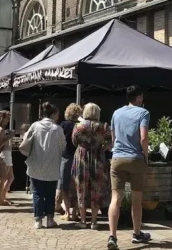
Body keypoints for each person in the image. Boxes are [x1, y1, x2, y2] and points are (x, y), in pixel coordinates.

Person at [108, 85, 152, 249]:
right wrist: (146, 156)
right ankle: (137, 233)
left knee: (116, 199)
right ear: (139, 97)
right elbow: (144, 137)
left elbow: (113, 138)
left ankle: (112, 236)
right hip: (135, 159)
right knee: (136, 200)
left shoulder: (116, 113)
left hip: (118, 157)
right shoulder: (143, 113)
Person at [24, 102, 66, 229]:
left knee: (37, 193)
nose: (58, 117)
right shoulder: (57, 129)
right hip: (52, 165)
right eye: (57, 114)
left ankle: (38, 221)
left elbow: (26, 141)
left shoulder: (35, 126)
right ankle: (49, 219)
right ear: (53, 114)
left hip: (36, 164)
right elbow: (63, 146)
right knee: (49, 193)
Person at [72, 102, 111, 230]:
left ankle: (83, 221)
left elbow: (73, 141)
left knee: (81, 188)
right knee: (96, 189)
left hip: (82, 158)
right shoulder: (104, 126)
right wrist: (105, 147)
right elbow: (113, 139)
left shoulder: (79, 126)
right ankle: (94, 221)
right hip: (98, 158)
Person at [57, 103, 82, 221]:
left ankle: (67, 213)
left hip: (66, 157)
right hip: (78, 158)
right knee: (77, 187)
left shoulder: (63, 125)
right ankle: (75, 213)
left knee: (65, 187)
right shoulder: (80, 126)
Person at [0, 110, 15, 206]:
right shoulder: (0, 129)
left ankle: (3, 196)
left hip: (7, 153)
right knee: (3, 178)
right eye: (7, 118)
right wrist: (9, 137)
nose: (8, 121)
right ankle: (0, 198)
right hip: (4, 154)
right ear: (2, 118)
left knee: (10, 177)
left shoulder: (2, 129)